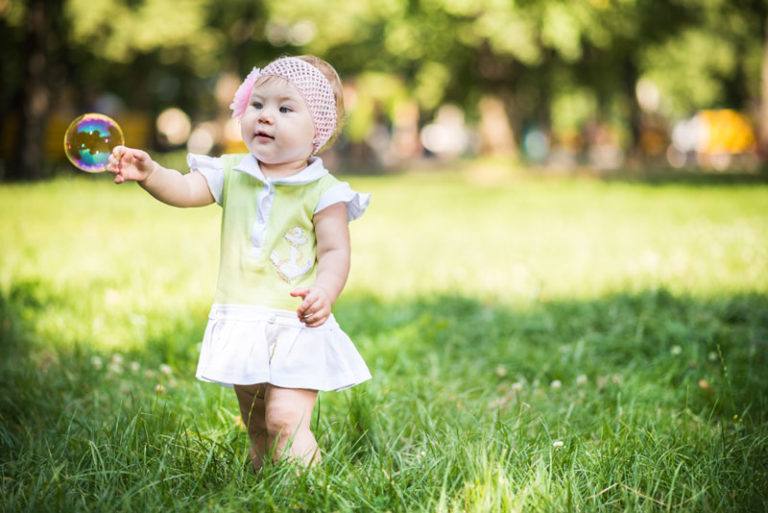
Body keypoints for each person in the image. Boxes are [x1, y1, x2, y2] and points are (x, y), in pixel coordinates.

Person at [107, 55, 371, 470]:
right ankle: (263, 484)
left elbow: (337, 251)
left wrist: (325, 290)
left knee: (285, 416)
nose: (266, 116)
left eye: (285, 109)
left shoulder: (324, 190)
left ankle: (307, 493)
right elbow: (183, 189)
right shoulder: (232, 171)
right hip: (243, 319)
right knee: (257, 422)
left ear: (317, 129)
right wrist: (152, 173)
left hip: (295, 322)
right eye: (258, 104)